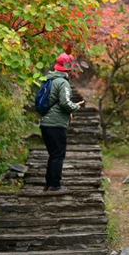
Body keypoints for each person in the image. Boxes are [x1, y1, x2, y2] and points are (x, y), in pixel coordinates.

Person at [39, 53, 84, 191]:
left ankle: (49, 183)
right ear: (68, 67)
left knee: (53, 154)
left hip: (46, 123)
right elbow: (65, 102)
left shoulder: (49, 80)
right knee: (58, 154)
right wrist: (75, 107)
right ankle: (54, 185)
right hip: (56, 124)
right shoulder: (63, 82)